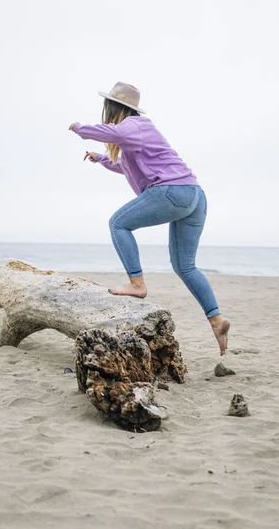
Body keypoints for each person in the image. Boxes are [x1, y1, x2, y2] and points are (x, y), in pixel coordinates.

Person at [69, 81, 230, 355]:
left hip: (172, 192)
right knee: (185, 266)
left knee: (118, 223)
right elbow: (125, 166)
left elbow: (111, 132)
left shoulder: (134, 125)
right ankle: (217, 321)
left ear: (113, 108)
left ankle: (137, 284)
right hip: (194, 196)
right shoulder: (137, 135)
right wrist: (100, 158)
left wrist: (80, 128)